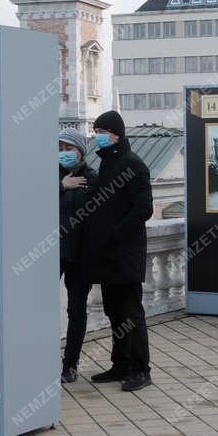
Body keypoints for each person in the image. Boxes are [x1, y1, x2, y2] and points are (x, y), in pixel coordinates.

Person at [84, 111, 154, 392]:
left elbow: (144, 209)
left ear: (115, 134)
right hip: (108, 255)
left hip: (125, 253)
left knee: (130, 313)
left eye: (101, 130)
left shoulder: (134, 165)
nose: (96, 135)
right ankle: (121, 364)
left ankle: (141, 369)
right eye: (95, 130)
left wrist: (115, 234)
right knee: (114, 311)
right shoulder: (108, 163)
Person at [57, 128, 98, 383]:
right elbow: (29, 202)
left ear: (80, 151)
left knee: (77, 310)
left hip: (81, 255)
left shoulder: (93, 178)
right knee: (37, 307)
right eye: (60, 149)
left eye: (68, 149)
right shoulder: (48, 176)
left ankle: (70, 364)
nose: (63, 154)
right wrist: (60, 185)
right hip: (51, 253)